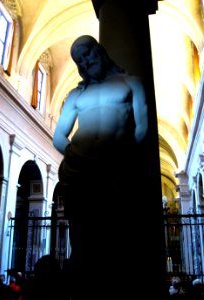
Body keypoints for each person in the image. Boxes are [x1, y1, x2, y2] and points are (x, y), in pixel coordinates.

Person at [53, 35, 148, 299]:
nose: (84, 62)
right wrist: (77, 154)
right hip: (79, 169)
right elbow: (59, 136)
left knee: (116, 236)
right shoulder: (76, 94)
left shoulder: (132, 83)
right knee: (82, 239)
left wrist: (120, 159)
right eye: (78, 60)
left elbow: (142, 129)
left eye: (87, 54)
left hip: (115, 167)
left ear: (100, 50)